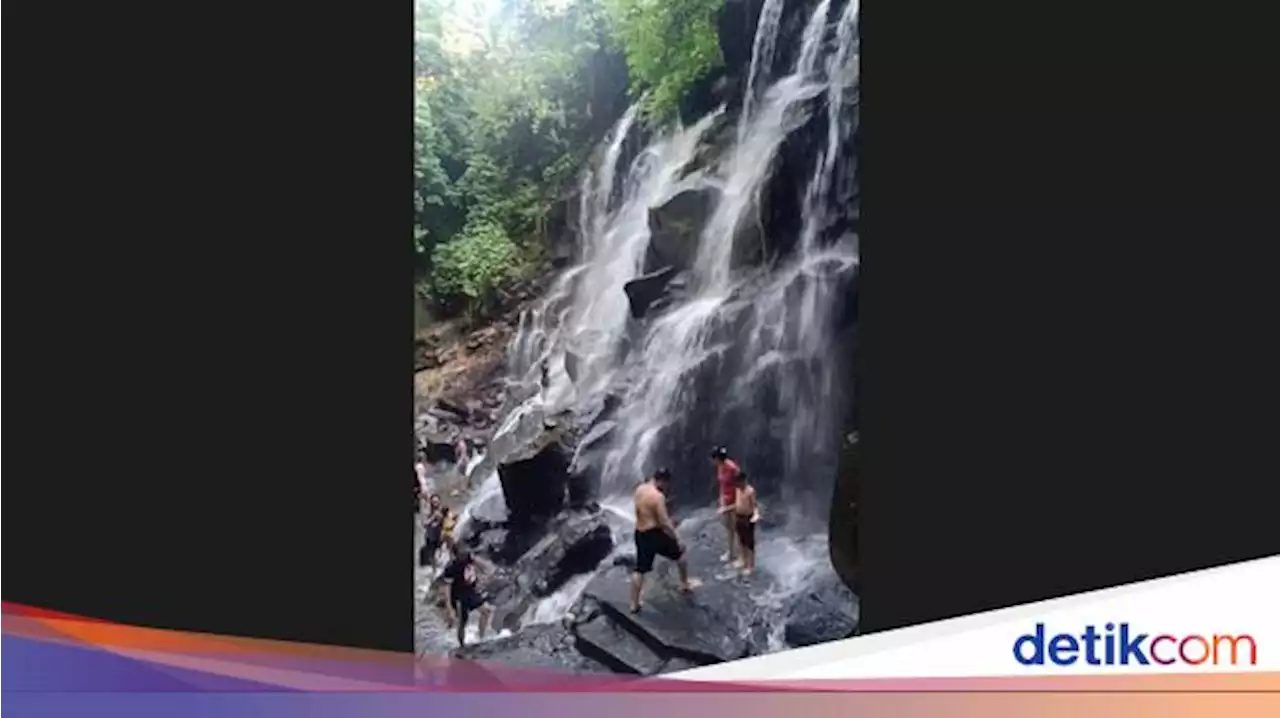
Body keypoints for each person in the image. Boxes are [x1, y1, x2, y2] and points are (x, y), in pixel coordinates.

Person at [630, 468, 692, 613]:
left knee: (640, 569)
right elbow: (664, 522)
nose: (667, 488)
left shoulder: (639, 489)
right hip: (654, 534)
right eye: (667, 484)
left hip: (639, 533)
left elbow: (640, 510)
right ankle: (685, 584)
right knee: (681, 553)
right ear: (663, 481)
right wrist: (677, 537)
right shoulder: (658, 497)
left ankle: (634, 604)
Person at [442, 545, 495, 647]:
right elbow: (446, 588)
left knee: (486, 611)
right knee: (462, 621)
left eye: (465, 552)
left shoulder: (469, 558)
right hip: (459, 595)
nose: (465, 554)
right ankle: (461, 644)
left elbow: (485, 567)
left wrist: (483, 571)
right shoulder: (451, 567)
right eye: (462, 553)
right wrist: (449, 607)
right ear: (456, 555)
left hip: (471, 591)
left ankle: (481, 637)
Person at [710, 446, 743, 565]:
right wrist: (721, 500)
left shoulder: (733, 468)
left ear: (718, 458)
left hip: (735, 501)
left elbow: (740, 487)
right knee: (729, 528)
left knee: (738, 529)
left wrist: (735, 504)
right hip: (726, 501)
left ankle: (742, 556)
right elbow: (722, 485)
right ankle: (730, 551)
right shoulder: (720, 466)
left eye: (713, 458)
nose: (712, 461)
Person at [723, 471, 759, 576]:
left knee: (749, 542)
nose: (737, 485)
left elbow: (754, 506)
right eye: (736, 483)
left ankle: (751, 566)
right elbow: (737, 504)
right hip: (739, 516)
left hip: (748, 518)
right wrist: (727, 508)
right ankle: (743, 560)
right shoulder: (738, 490)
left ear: (744, 481)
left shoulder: (750, 491)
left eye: (739, 483)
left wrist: (755, 516)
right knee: (741, 540)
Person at [420, 494, 445, 568]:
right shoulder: (427, 511)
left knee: (442, 553)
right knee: (432, 555)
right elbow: (424, 523)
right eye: (434, 502)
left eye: (437, 502)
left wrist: (441, 518)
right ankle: (434, 570)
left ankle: (441, 568)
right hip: (430, 537)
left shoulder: (442, 510)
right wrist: (433, 517)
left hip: (440, 536)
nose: (435, 504)